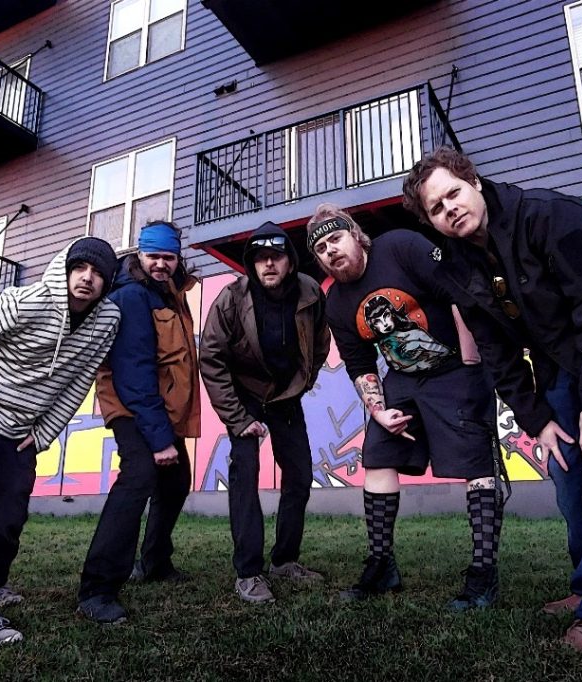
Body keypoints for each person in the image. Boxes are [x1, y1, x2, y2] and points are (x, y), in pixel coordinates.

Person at [402, 146, 582, 650]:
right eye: (436, 208)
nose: (450, 209)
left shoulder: (552, 216)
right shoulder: (457, 266)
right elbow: (494, 348)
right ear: (431, 222)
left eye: (453, 194)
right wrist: (536, 419)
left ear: (474, 182)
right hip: (558, 355)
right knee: (568, 472)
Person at [306, 204, 504, 609]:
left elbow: (455, 291)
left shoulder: (400, 247)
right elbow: (360, 363)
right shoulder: (337, 302)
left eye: (335, 239)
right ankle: (382, 565)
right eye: (321, 249)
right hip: (403, 379)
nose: (330, 251)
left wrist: (471, 359)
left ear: (355, 235)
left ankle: (483, 573)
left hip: (455, 366)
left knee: (475, 461)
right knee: (378, 456)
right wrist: (378, 411)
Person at [0, 236, 121, 646]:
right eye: (79, 268)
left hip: (19, 432)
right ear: (66, 269)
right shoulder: (28, 302)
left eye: (98, 273)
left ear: (107, 282)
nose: (86, 278)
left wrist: (44, 432)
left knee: (8, 519)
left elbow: (78, 380)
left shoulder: (106, 321)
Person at [200, 221, 331, 604]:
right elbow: (211, 359)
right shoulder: (231, 299)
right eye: (260, 258)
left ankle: (284, 560)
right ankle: (248, 573)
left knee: (300, 475)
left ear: (290, 261)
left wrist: (302, 383)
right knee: (245, 475)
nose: (269, 264)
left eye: (276, 256)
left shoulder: (310, 291)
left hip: (285, 395)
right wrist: (238, 418)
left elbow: (319, 342)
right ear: (251, 264)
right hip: (244, 395)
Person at [77, 221, 201, 624]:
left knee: (176, 481)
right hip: (134, 405)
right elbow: (134, 372)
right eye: (153, 256)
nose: (161, 264)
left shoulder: (169, 293)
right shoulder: (131, 295)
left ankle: (154, 562)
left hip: (158, 409)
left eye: (168, 257)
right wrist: (160, 439)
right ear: (139, 254)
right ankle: (97, 589)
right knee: (139, 477)